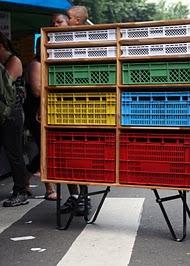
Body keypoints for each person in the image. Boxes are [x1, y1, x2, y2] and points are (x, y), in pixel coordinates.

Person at [24, 14, 69, 201]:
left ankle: (24, 177)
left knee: (49, 148)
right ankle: (49, 188)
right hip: (37, 111)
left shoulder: (53, 63)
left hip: (52, 110)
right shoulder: (36, 64)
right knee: (45, 149)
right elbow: (36, 91)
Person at [59, 6, 91, 215]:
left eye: (67, 18)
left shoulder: (88, 40)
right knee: (66, 155)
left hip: (84, 106)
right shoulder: (60, 41)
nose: (62, 22)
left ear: (77, 21)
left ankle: (84, 197)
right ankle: (73, 196)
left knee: (83, 155)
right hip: (61, 105)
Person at [0, 32, 31, 207]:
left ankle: (21, 190)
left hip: (13, 113)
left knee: (14, 152)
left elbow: (4, 86)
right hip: (2, 112)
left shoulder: (14, 61)